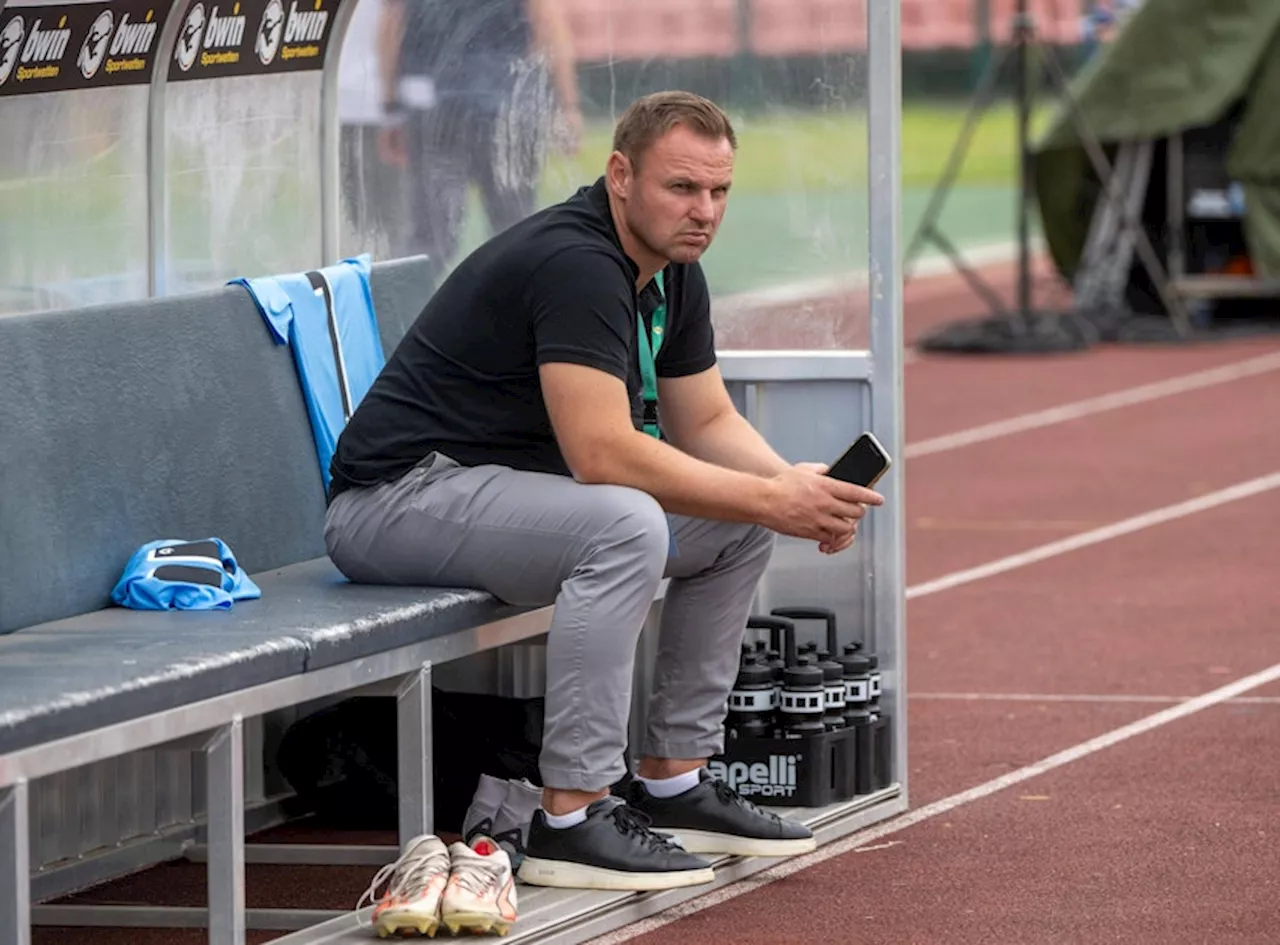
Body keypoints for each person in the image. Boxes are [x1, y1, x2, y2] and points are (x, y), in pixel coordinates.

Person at [325, 91, 884, 894]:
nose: (704, 212)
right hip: (393, 501)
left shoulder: (672, 267)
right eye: (682, 188)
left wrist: (795, 490)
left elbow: (708, 416)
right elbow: (601, 452)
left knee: (731, 527)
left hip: (490, 499)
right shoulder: (579, 262)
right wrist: (769, 496)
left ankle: (673, 781)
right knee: (627, 524)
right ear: (620, 175)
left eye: (720, 191)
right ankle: (571, 814)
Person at [376, 0, 582, 284]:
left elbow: (391, 27)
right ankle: (519, 319)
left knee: (429, 240)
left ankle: (401, 319)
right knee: (515, 231)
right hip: (505, 110)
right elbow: (548, 23)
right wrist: (567, 105)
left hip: (436, 107)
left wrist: (392, 110)